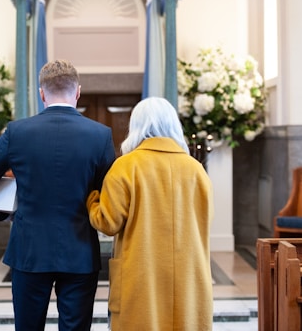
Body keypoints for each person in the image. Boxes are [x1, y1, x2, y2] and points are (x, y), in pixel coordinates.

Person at [0, 59, 116, 331]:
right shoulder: (100, 135)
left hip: (29, 250)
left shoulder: (17, 132)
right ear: (78, 91)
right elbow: (109, 192)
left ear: (42, 93)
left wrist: (8, 211)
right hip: (79, 251)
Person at [86, 97, 214, 330]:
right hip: (188, 276)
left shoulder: (127, 166)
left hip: (141, 276)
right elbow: (205, 219)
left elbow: (107, 222)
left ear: (136, 126)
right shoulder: (196, 169)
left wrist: (92, 199)